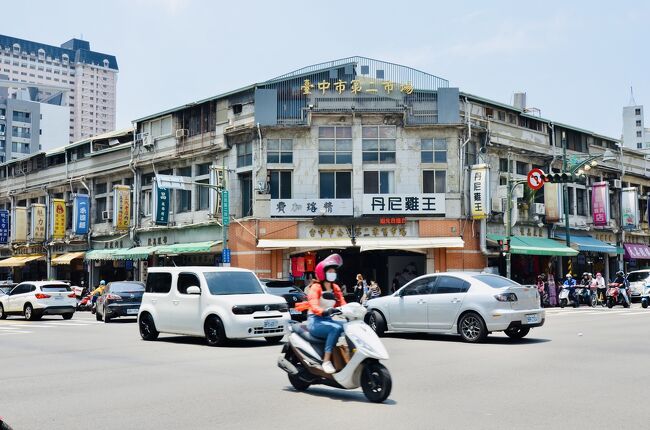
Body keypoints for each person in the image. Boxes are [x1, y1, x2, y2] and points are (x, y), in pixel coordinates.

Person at [301, 254, 347, 374]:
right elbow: (313, 304)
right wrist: (324, 311)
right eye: (330, 271)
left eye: (334, 271)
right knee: (335, 329)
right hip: (315, 320)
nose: (333, 273)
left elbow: (342, 302)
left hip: (328, 319)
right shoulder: (316, 287)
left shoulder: (335, 287)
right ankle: (326, 360)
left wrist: (352, 309)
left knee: (349, 326)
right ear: (322, 273)